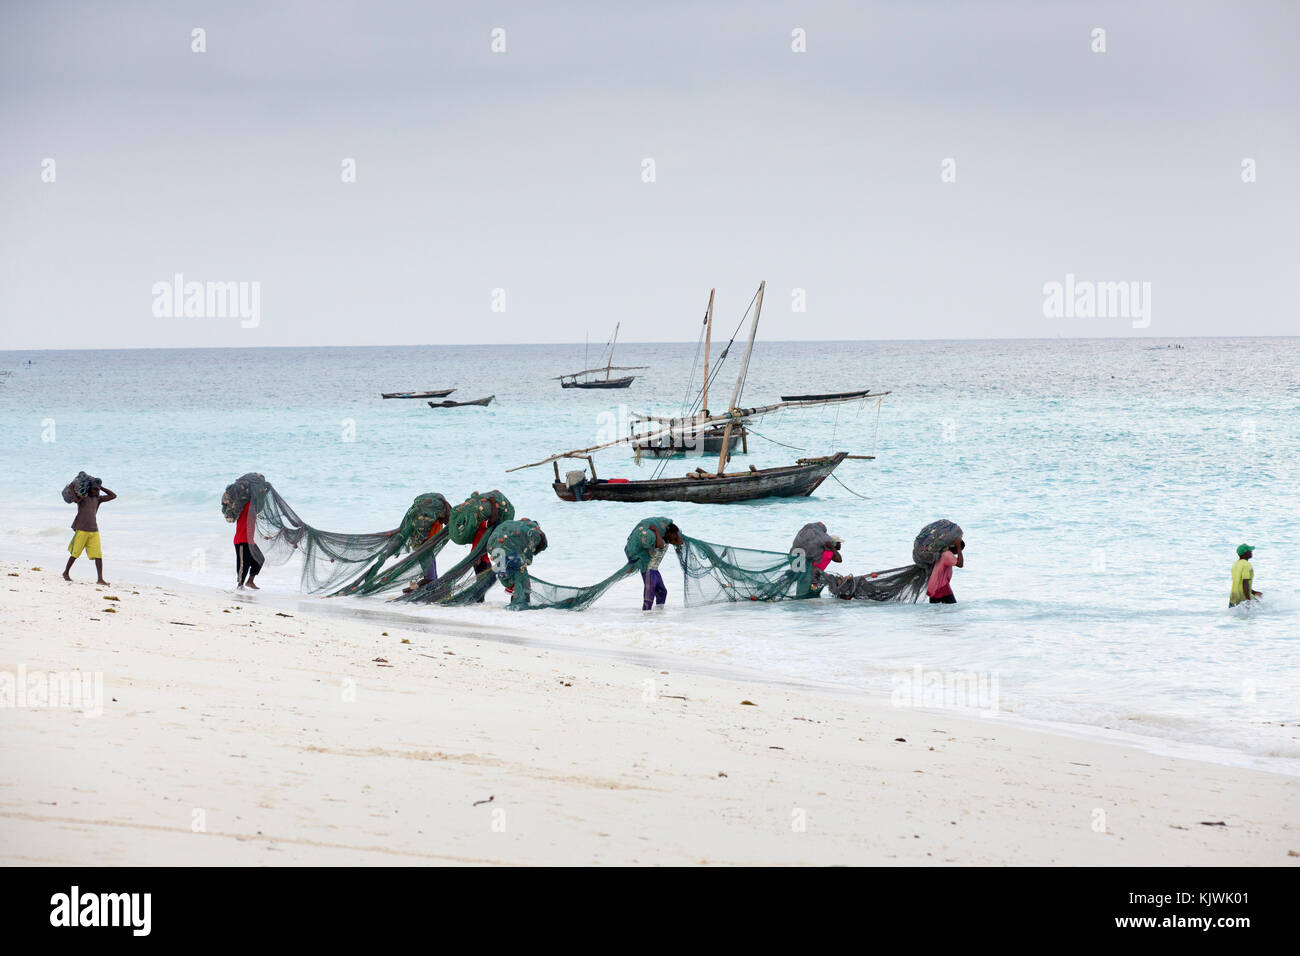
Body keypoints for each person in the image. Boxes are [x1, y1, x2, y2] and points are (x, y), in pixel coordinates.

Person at [63, 480, 115, 584]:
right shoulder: (83, 498)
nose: (96, 491)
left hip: (94, 531)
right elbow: (75, 499)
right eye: (94, 489)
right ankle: (66, 573)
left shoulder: (98, 499)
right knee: (75, 554)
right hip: (81, 530)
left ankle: (100, 579)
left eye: (97, 489)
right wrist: (72, 488)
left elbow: (113, 496)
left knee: (98, 555)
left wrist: (101, 487)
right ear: (89, 488)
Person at [626, 517, 683, 610]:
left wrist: (676, 533)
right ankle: (645, 617)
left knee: (662, 592)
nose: (675, 536)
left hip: (655, 570)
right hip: (648, 570)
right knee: (649, 596)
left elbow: (680, 541)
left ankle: (658, 614)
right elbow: (660, 545)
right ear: (668, 533)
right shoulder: (656, 538)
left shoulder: (668, 539)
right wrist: (656, 531)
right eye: (674, 534)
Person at [488, 518, 547, 607]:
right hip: (507, 550)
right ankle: (520, 606)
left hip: (492, 545)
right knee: (521, 580)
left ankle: (515, 606)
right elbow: (528, 557)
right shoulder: (536, 535)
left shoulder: (521, 526)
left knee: (509, 575)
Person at [926, 537, 965, 604]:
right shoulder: (947, 554)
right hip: (941, 586)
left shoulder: (943, 553)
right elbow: (960, 564)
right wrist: (959, 547)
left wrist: (958, 547)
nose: (957, 553)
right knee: (952, 608)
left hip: (934, 586)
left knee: (936, 611)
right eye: (960, 549)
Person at [233, 499, 261, 589]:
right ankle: (240, 585)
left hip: (250, 541)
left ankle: (250, 581)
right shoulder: (245, 504)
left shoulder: (254, 507)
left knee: (259, 559)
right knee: (243, 563)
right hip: (241, 540)